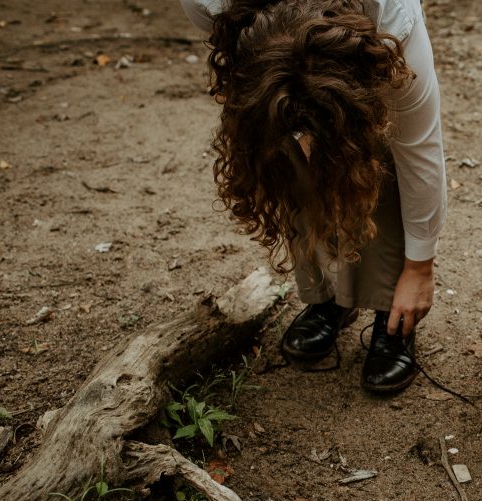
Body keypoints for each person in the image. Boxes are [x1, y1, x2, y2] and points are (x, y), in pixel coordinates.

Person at [180, 0, 446, 393]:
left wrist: (420, 268)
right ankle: (328, 297)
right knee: (280, 131)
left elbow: (419, 149)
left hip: (365, 41)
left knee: (362, 150)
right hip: (263, 50)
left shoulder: (392, 21)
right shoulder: (210, 3)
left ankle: (390, 307)